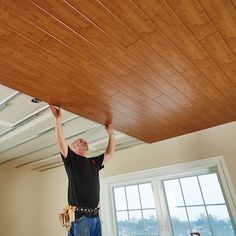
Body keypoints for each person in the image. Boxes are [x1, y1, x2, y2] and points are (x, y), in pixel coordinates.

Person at [50, 105, 115, 236]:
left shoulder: (94, 162)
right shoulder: (72, 160)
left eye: (84, 140)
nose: (84, 141)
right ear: (74, 147)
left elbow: (110, 154)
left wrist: (111, 135)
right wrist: (57, 120)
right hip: (80, 217)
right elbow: (61, 142)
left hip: (95, 216)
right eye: (80, 141)